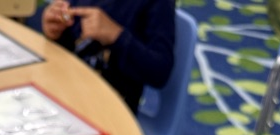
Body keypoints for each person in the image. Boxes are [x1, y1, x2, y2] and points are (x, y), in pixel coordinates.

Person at [34, 0, 176, 112]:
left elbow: (160, 71)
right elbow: (71, 42)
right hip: (65, 90)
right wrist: (56, 31)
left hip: (111, 109)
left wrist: (116, 36)